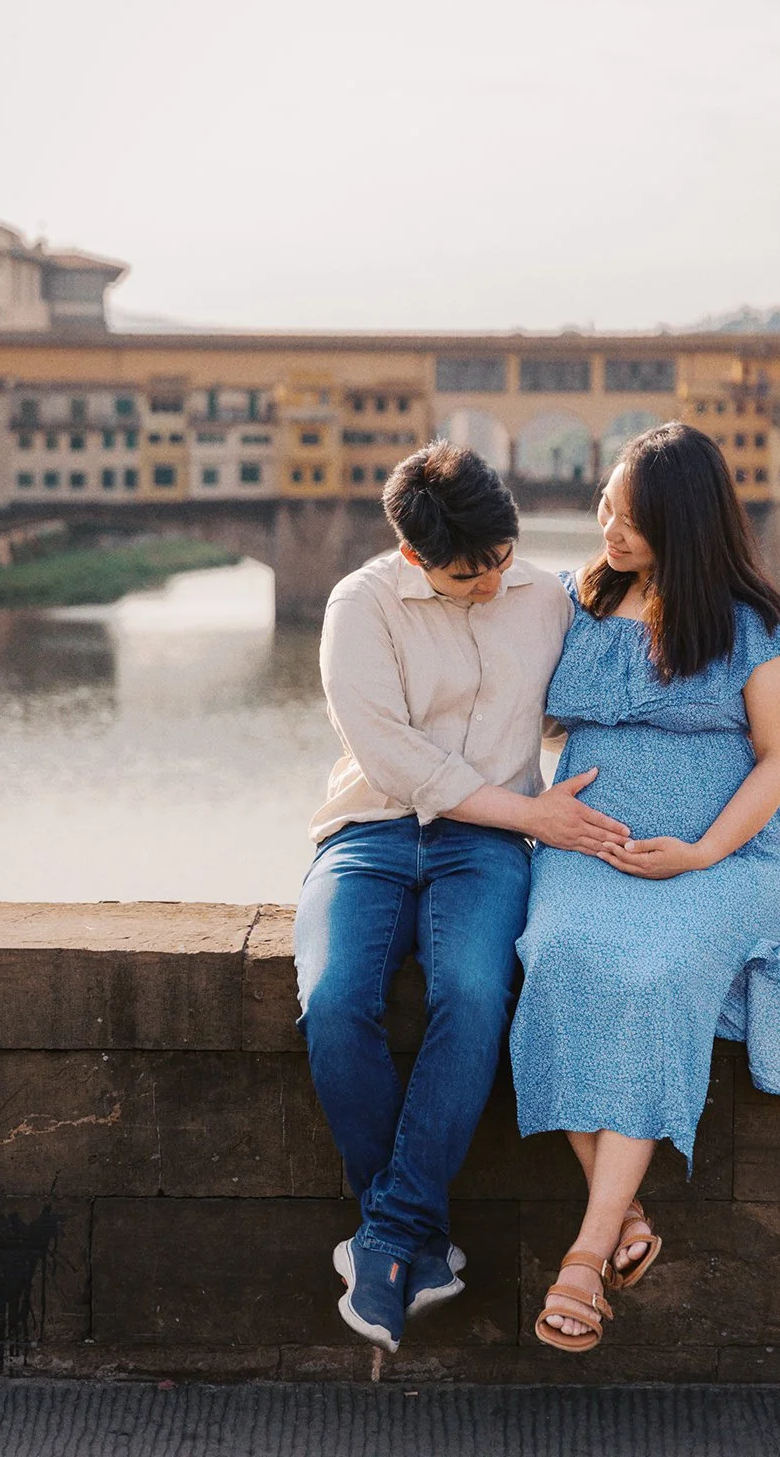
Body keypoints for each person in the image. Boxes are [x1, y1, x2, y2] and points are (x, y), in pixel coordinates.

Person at [293, 440, 630, 1355]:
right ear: (413, 556)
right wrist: (533, 811)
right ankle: (412, 1238)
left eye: (501, 561)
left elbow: (609, 685)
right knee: (333, 1003)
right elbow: (395, 756)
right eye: (464, 574)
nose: (489, 584)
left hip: (484, 847)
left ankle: (392, 1239)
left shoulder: (548, 598)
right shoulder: (359, 607)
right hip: (369, 829)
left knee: (476, 995)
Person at [509, 421, 780, 1352]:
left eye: (633, 519)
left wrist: (700, 853)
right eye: (608, 506)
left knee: (656, 977)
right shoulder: (578, 599)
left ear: (686, 525)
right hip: (585, 851)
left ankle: (583, 1256)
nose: (609, 529)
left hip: (722, 861)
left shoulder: (750, 625)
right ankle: (627, 1218)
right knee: (557, 960)